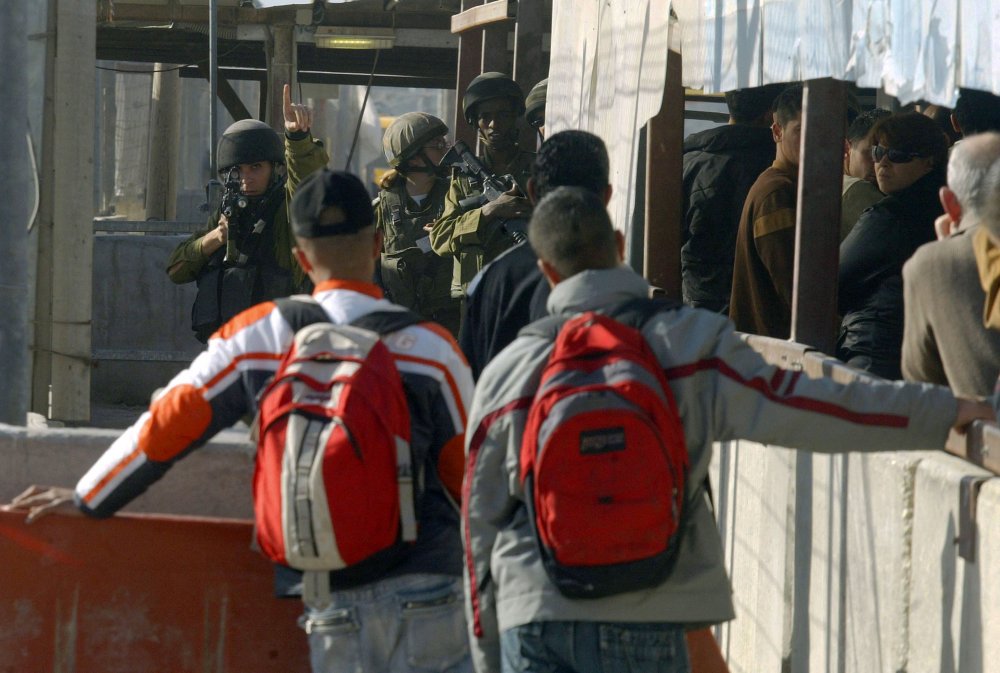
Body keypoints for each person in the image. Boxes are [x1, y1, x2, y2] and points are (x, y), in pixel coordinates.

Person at [463, 185, 994, 673]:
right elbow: (813, 404)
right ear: (620, 245)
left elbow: (478, 522)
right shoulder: (691, 341)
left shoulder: (511, 372)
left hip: (533, 612)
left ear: (548, 273)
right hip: (653, 606)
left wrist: (486, 651)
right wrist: (942, 410)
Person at [7, 170, 475, 673]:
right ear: (378, 243)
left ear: (300, 257)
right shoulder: (431, 348)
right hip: (429, 587)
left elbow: (170, 423)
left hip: (328, 593)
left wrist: (90, 498)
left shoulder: (258, 336)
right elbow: (470, 474)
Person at [167, 84, 329, 342]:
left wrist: (297, 139)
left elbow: (306, 181)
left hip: (278, 344)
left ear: (273, 168)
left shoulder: (284, 208)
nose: (247, 178)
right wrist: (217, 238)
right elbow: (176, 270)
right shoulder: (226, 210)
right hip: (229, 344)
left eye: (255, 167)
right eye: (239, 170)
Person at [459, 130, 612, 380]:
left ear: (531, 192)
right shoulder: (627, 284)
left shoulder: (492, 280)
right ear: (607, 195)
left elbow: (469, 380)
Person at [838, 112, 948, 379]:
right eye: (877, 152)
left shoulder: (890, 216)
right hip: (928, 361)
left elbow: (832, 281)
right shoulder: (948, 207)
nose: (883, 162)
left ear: (928, 162)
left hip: (875, 355)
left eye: (898, 155)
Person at [902, 132, 1000, 397]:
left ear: (949, 203)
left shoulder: (929, 265)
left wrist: (947, 251)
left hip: (984, 433)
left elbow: (921, 379)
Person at [429, 72, 535, 300]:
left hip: (526, 290)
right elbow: (439, 239)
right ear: (475, 122)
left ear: (515, 116)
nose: (494, 124)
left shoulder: (538, 171)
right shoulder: (464, 179)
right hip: (478, 296)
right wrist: (489, 211)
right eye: (485, 117)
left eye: (503, 115)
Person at [680, 83, 783, 313]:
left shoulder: (691, 161)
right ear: (771, 115)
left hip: (698, 305)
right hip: (759, 306)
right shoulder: (775, 167)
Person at [375, 112, 461, 335]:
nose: (446, 149)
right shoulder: (381, 209)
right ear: (414, 157)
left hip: (449, 326)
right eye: (437, 144)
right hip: (397, 329)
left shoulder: (458, 198)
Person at [729, 83, 803, 337]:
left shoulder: (782, 185)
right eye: (801, 131)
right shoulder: (776, 194)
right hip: (773, 347)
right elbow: (794, 289)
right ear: (777, 131)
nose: (814, 140)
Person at [841, 108, 892, 239]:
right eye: (870, 153)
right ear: (847, 148)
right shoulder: (857, 189)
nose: (879, 163)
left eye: (891, 154)